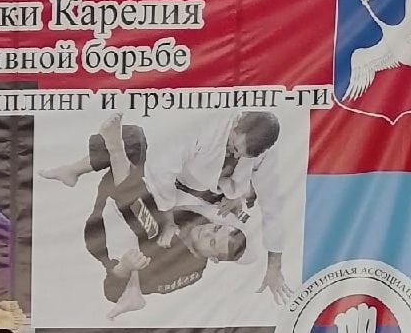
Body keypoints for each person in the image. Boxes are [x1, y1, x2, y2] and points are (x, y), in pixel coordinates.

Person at [41, 110, 291, 304]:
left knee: (151, 219)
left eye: (212, 241)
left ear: (214, 258)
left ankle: (109, 152)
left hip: (104, 233)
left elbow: (112, 291)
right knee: (135, 141)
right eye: (215, 229)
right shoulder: (206, 128)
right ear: (236, 123)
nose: (207, 231)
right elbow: (168, 181)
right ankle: (75, 169)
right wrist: (238, 196)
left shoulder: (184, 265)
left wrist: (126, 267)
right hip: (153, 195)